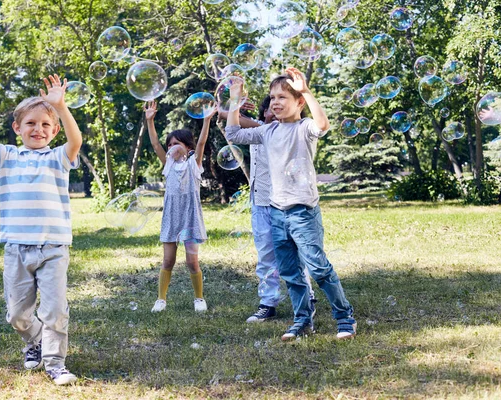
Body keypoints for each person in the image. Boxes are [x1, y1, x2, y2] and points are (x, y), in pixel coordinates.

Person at [0, 71, 82, 385]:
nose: (38, 129)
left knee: (55, 309)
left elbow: (77, 140)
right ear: (17, 128)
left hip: (53, 247)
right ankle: (35, 341)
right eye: (30, 123)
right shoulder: (6, 156)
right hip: (16, 247)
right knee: (17, 315)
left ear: (54, 130)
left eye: (45, 124)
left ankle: (56, 363)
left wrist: (61, 106)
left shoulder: (59, 157)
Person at [225, 67, 356, 341]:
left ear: (298, 103)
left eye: (283, 96)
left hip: (303, 212)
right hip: (276, 213)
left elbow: (322, 125)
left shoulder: (304, 128)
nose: (275, 102)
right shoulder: (267, 131)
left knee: (318, 268)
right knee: (290, 272)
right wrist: (235, 99)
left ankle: (345, 319)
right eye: (272, 97)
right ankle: (302, 321)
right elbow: (234, 133)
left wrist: (306, 91)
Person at [219, 98, 317, 324]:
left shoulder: (284, 132)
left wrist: (238, 114)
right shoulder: (258, 131)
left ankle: (307, 299)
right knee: (265, 255)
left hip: (284, 203)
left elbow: (242, 122)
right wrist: (234, 103)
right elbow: (227, 117)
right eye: (270, 111)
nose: (274, 115)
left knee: (295, 253)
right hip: (260, 202)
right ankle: (268, 303)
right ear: (263, 115)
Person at [144, 100, 215, 313]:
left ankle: (199, 298)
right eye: (170, 145)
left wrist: (207, 120)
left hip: (190, 217)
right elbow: (156, 144)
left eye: (177, 144)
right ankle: (161, 299)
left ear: (188, 147)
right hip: (171, 217)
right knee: (168, 260)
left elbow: (202, 143)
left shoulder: (194, 164)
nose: (172, 147)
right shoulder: (168, 166)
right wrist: (150, 121)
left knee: (192, 262)